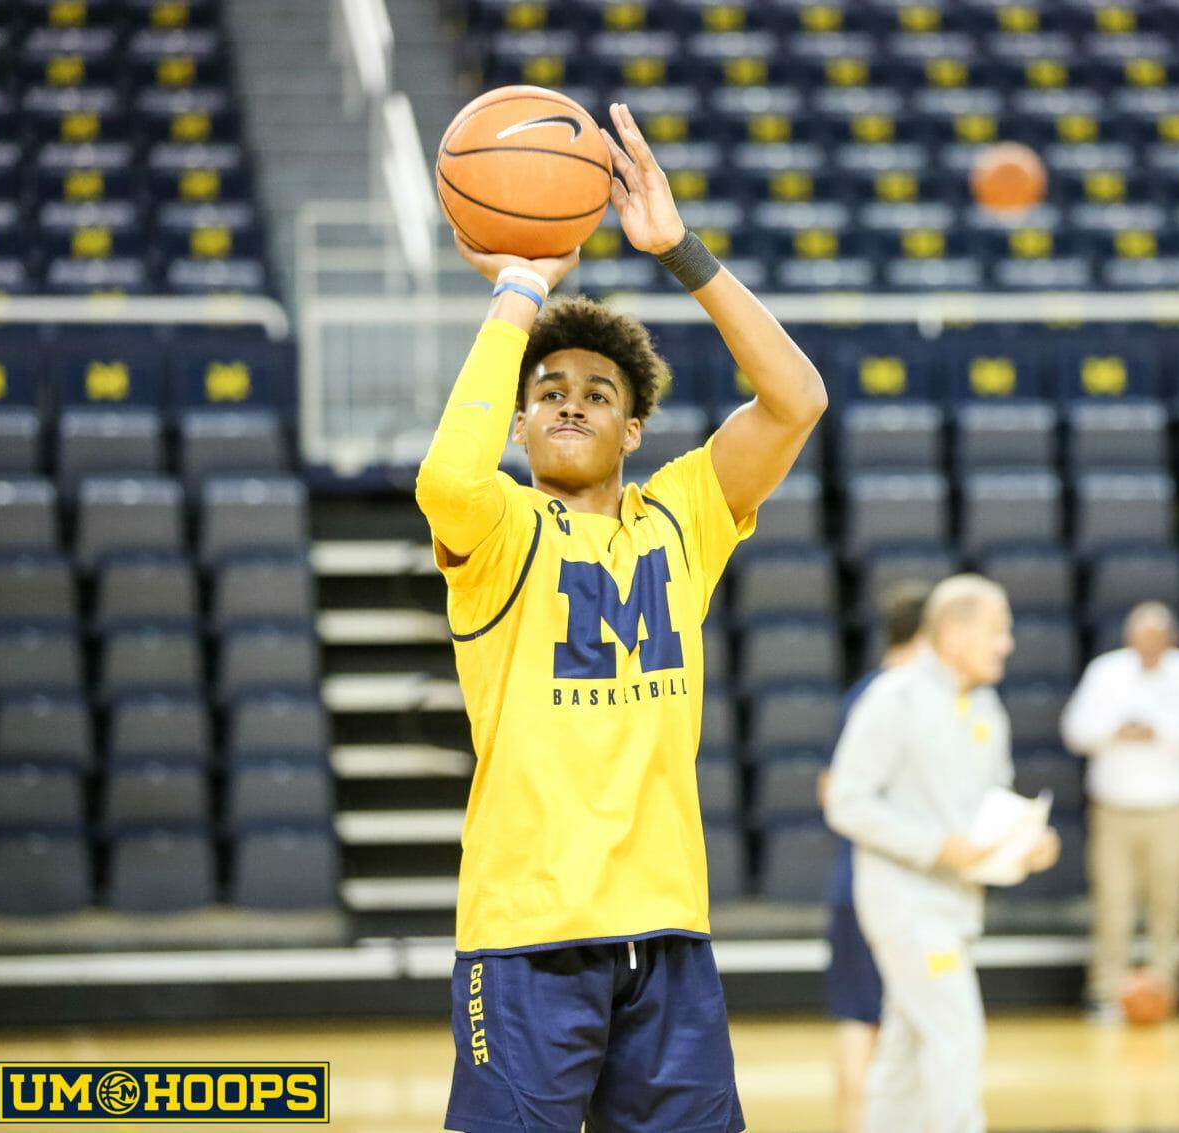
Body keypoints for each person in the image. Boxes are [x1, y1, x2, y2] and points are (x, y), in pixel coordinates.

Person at [417, 102, 826, 1133]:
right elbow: (446, 476)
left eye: (597, 393)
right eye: (547, 391)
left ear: (633, 428)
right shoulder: (500, 527)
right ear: (518, 422)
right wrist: (519, 291)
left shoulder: (683, 514)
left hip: (668, 929)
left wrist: (679, 251)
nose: (568, 401)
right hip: (526, 933)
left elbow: (796, 400)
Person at [824, 574, 1062, 1133]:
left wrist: (1024, 844)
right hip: (904, 904)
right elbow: (845, 802)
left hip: (957, 905)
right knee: (957, 1034)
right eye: (997, 631)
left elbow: (989, 807)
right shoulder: (893, 699)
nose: (1007, 644)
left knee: (904, 1051)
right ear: (953, 634)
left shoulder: (987, 708)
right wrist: (937, 847)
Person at [1060, 601, 1179, 1023]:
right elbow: (1075, 730)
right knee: (1112, 904)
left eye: (1157, 637)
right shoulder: (1106, 672)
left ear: (1171, 639)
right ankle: (1106, 992)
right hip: (1114, 808)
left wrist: (1162, 733)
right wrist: (1115, 731)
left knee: (1167, 904)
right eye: (1141, 637)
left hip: (1171, 808)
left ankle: (1163, 990)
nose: (1149, 645)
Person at [822, 581, 931, 1133]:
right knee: (885, 1022)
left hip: (858, 883)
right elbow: (836, 793)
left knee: (860, 1018)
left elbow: (828, 785)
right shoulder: (905, 697)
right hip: (886, 885)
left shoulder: (863, 692)